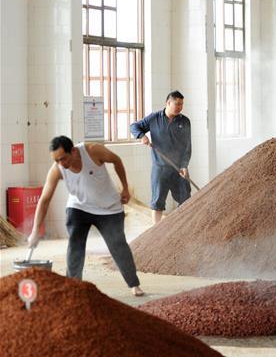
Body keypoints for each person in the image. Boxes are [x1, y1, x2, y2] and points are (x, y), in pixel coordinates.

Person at [27, 136, 144, 296]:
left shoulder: (92, 151)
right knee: (75, 245)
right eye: (56, 160)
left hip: (108, 208)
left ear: (73, 151)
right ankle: (74, 287)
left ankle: (134, 284)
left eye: (63, 159)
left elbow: (117, 160)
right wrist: (35, 231)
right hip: (79, 207)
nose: (61, 164)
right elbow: (44, 200)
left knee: (118, 246)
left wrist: (125, 188)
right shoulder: (57, 169)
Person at [130, 91, 192, 225]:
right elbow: (134, 126)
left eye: (181, 104)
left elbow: (187, 147)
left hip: (179, 169)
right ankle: (156, 231)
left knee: (186, 198)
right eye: (177, 104)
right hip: (160, 168)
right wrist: (142, 136)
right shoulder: (154, 118)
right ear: (168, 103)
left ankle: (182, 228)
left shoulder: (185, 121)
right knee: (157, 201)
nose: (180, 107)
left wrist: (184, 165)